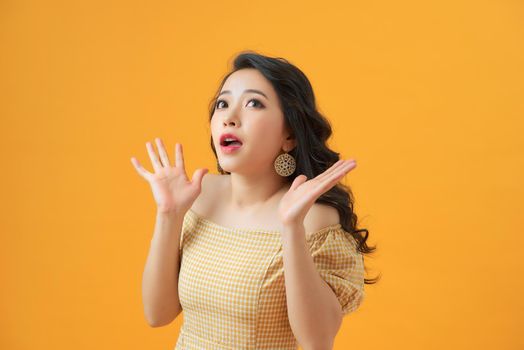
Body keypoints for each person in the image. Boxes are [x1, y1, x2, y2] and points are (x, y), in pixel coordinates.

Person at [131, 51, 378, 350]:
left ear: (289, 136)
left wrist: (291, 229)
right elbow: (157, 314)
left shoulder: (313, 217)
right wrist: (168, 214)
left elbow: (317, 341)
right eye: (223, 104)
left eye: (254, 103)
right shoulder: (200, 195)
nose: (229, 117)